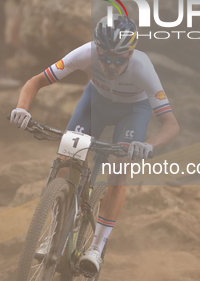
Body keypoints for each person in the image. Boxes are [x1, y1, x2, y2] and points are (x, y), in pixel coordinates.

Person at [9, 14, 180, 274]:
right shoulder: (84, 53)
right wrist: (22, 109)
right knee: (68, 155)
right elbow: (36, 81)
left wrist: (149, 145)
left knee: (118, 167)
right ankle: (55, 232)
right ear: (96, 48)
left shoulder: (143, 68)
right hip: (95, 103)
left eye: (118, 60)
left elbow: (171, 124)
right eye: (105, 58)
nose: (111, 65)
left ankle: (97, 248)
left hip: (133, 111)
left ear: (131, 54)